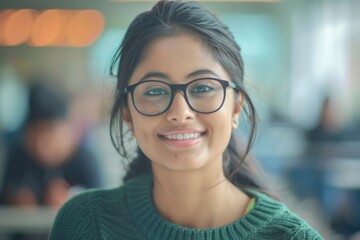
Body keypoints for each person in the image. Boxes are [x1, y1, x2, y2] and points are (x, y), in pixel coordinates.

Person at [50, 1, 323, 239]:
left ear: (236, 107)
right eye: (155, 90)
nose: (180, 112)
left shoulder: (290, 237)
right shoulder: (86, 224)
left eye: (203, 87)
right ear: (127, 115)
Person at [0, 81, 103, 208]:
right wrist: (15, 199)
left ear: (66, 129)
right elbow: (5, 195)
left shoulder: (85, 160)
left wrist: (73, 204)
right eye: (35, 131)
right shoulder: (19, 153)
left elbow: (104, 208)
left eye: (48, 131)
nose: (40, 143)